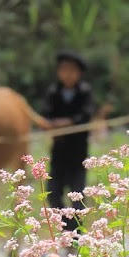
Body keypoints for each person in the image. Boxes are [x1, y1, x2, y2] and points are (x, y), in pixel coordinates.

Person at [42, 50, 95, 233]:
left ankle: (77, 234)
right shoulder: (53, 92)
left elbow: (86, 115)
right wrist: (50, 124)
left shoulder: (85, 92)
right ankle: (67, 229)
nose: (67, 74)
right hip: (58, 153)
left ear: (79, 73)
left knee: (77, 196)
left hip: (78, 154)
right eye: (63, 69)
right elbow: (47, 114)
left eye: (71, 70)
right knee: (53, 193)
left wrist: (68, 122)